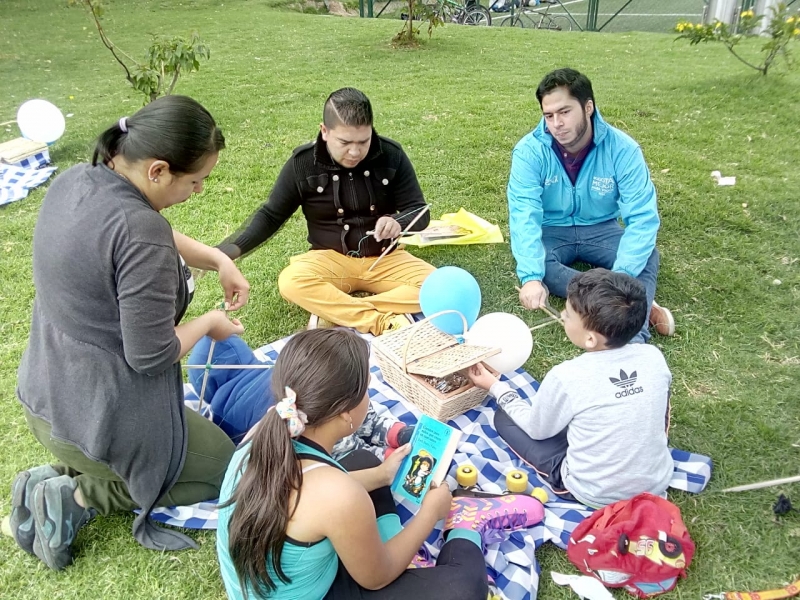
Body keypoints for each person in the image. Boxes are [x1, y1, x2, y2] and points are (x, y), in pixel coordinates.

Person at [9, 96, 249, 570]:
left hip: (45, 397)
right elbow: (151, 356)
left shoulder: (77, 180)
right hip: (94, 420)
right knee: (224, 467)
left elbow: (146, 232)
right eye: (196, 180)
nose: (199, 191)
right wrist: (208, 323)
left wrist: (219, 258)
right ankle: (78, 495)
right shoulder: (141, 236)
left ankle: (54, 476)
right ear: (158, 170)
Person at [217, 328, 544, 600]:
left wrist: (381, 474)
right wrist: (433, 511)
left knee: (361, 459)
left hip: (281, 580)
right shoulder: (337, 494)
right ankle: (465, 522)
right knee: (461, 590)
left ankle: (406, 552)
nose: (370, 399)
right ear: (346, 412)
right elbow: (377, 576)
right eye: (367, 390)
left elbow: (307, 505)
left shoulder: (269, 429)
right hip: (323, 590)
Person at [217, 87, 434, 336]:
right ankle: (379, 322)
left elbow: (419, 211)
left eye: (364, 142)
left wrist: (398, 221)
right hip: (330, 259)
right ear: (325, 131)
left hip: (385, 258)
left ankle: (339, 312)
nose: (355, 152)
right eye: (344, 142)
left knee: (443, 287)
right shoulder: (302, 164)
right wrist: (228, 252)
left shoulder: (392, 155)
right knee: (291, 282)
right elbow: (271, 215)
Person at [469, 269, 674, 508]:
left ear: (590, 339)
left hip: (593, 491)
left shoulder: (567, 376)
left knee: (505, 418)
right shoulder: (654, 357)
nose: (563, 316)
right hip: (655, 482)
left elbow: (537, 430)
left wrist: (495, 386)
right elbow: (661, 415)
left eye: (567, 314)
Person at [508, 67, 675, 344]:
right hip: (552, 231)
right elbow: (523, 213)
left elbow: (643, 218)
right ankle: (639, 304)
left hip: (601, 228)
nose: (556, 123)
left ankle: (634, 338)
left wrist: (621, 276)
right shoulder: (529, 151)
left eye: (564, 112)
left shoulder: (623, 149)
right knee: (542, 267)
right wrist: (531, 278)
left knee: (646, 255)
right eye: (548, 116)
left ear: (588, 107)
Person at [187, 333, 415, 455]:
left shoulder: (221, 417)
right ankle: (391, 437)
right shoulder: (268, 372)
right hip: (313, 423)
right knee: (346, 448)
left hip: (323, 408)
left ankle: (386, 443)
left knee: (350, 427)